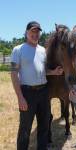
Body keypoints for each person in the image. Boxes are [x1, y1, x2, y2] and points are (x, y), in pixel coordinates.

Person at [11, 21, 63, 150]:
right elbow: (13, 73)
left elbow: (42, 70)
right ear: (26, 32)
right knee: (25, 127)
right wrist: (20, 97)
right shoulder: (17, 50)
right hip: (27, 93)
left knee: (44, 125)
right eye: (32, 31)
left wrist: (53, 72)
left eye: (37, 32)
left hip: (44, 92)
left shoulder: (43, 51)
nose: (35, 34)